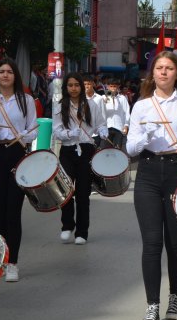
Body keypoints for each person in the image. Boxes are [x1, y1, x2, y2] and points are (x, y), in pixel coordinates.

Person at [126, 51, 177, 320]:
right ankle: (151, 305)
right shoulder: (141, 106)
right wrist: (143, 138)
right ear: (152, 73)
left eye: (170, 68)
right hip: (147, 173)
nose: (164, 73)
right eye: (159, 68)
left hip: (176, 172)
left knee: (176, 242)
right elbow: (130, 148)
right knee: (152, 242)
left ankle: (175, 297)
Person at [0, 59, 38, 283]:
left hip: (18, 154)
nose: (5, 75)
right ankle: (1, 259)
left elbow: (33, 129)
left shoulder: (26, 100)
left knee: (13, 211)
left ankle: (13, 262)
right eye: (1, 71)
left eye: (9, 72)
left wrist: (24, 136)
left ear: (15, 76)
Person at [53, 73, 107, 245]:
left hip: (86, 149)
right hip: (67, 150)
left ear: (82, 87)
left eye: (77, 85)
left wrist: (103, 130)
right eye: (70, 85)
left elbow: (100, 123)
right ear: (66, 87)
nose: (74, 88)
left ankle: (82, 231)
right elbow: (56, 131)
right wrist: (69, 133)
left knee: (83, 193)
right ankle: (67, 226)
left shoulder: (91, 105)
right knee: (66, 190)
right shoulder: (60, 106)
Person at [102, 78, 130, 149]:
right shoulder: (103, 97)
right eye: (111, 86)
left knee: (117, 149)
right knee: (106, 149)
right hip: (106, 127)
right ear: (107, 87)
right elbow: (100, 112)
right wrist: (105, 100)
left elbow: (126, 112)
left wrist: (126, 125)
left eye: (114, 86)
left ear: (118, 87)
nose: (113, 88)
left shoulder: (122, 98)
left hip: (118, 127)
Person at [83, 74, 106, 147]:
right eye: (85, 84)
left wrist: (103, 131)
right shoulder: (80, 99)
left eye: (89, 84)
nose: (86, 86)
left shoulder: (99, 99)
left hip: (95, 134)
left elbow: (103, 116)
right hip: (82, 134)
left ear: (93, 84)